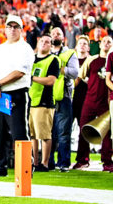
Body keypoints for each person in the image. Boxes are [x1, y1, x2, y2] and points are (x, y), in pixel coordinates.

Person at [0, 15, 35, 177]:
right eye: (9, 26)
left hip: (16, 93)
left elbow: (20, 72)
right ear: (4, 29)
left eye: (15, 26)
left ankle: (26, 166)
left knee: (19, 131)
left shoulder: (25, 48)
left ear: (21, 29)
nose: (12, 29)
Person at [73, 36, 113, 172]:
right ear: (100, 44)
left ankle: (107, 162)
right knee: (84, 129)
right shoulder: (91, 60)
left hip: (106, 103)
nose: (106, 43)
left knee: (106, 133)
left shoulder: (112, 60)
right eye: (104, 41)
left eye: (109, 42)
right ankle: (82, 160)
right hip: (89, 100)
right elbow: (79, 76)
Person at [48, 27, 79, 172]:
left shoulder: (69, 53)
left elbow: (74, 72)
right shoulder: (45, 52)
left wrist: (59, 69)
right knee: (48, 133)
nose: (56, 35)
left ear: (63, 37)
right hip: (46, 97)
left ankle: (64, 162)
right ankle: (48, 162)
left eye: (58, 34)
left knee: (63, 132)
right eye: (53, 33)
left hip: (63, 96)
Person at [28, 34, 60, 173]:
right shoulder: (32, 59)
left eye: (47, 42)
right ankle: (35, 162)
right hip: (31, 99)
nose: (44, 43)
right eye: (42, 41)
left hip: (44, 100)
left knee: (45, 134)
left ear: (51, 46)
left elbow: (51, 81)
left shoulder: (53, 59)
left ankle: (45, 163)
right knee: (33, 134)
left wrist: (32, 78)